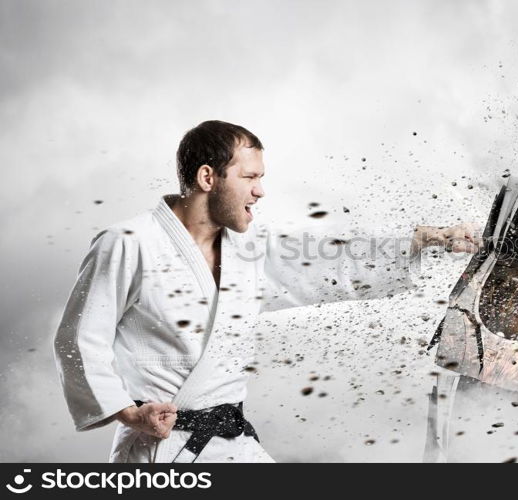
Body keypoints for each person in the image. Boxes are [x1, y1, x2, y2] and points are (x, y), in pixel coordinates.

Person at [53, 120, 480, 463]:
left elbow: (327, 259)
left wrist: (424, 239)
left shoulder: (247, 249)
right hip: (159, 448)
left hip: (232, 444)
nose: (260, 190)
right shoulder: (129, 241)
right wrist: (128, 412)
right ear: (207, 177)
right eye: (250, 177)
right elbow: (79, 339)